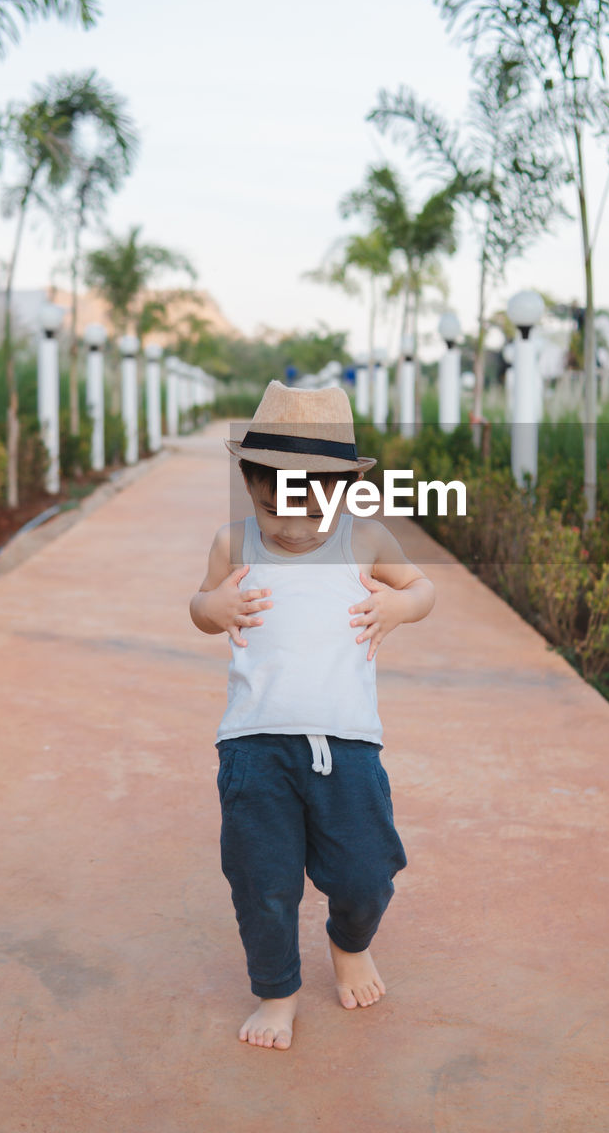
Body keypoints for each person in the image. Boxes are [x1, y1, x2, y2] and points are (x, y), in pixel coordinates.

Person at [189, 380, 435, 1050]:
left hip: (347, 746)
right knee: (260, 881)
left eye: (311, 514)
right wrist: (211, 610)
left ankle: (348, 943)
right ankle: (276, 992)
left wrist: (397, 607)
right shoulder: (232, 543)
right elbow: (201, 606)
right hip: (252, 748)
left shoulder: (365, 540)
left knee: (364, 871)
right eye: (273, 511)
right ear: (248, 482)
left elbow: (422, 587)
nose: (292, 530)